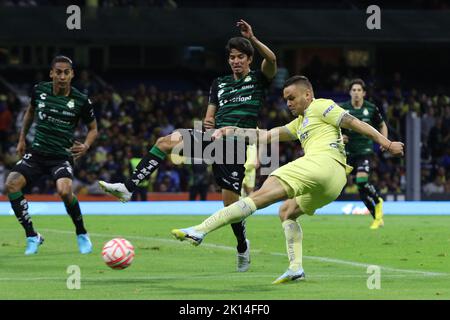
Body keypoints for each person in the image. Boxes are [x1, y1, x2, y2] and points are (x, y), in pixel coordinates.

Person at [171, 75, 404, 284]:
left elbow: (354, 123)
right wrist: (232, 130)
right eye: (286, 99)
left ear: (308, 94)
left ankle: (200, 230)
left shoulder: (321, 105)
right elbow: (265, 135)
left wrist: (387, 143)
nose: (289, 103)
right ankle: (296, 268)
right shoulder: (299, 123)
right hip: (333, 183)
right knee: (286, 212)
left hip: (321, 164)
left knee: (259, 196)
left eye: (292, 98)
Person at [99, 19, 277, 272]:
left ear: (249, 59)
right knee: (165, 141)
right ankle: (128, 188)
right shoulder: (219, 84)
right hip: (213, 138)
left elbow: (272, 60)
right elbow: (209, 115)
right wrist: (207, 122)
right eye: (232, 57)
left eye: (240, 57)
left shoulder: (259, 80)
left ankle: (241, 245)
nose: (235, 61)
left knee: (230, 206)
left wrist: (254, 38)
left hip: (235, 144)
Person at [4, 55, 98, 255]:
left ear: (72, 74)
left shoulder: (81, 100)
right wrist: (22, 139)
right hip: (37, 153)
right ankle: (32, 236)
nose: (62, 76)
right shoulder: (40, 91)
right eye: (58, 72)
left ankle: (81, 233)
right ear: (51, 73)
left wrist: (87, 145)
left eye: (66, 72)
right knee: (11, 183)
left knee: (64, 191)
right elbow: (30, 112)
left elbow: (93, 129)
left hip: (61, 156)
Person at [340, 79, 388, 229]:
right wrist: (341, 137)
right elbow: (334, 128)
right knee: (361, 189)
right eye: (353, 90)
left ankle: (378, 200)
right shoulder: (343, 109)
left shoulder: (371, 108)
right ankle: (377, 218)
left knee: (361, 181)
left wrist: (384, 141)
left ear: (364, 93)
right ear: (350, 92)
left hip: (365, 152)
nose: (356, 93)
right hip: (348, 153)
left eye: (359, 90)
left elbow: (382, 124)